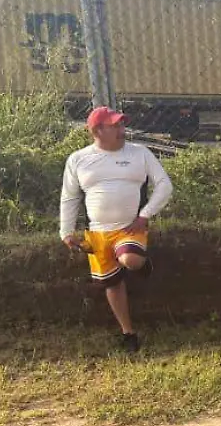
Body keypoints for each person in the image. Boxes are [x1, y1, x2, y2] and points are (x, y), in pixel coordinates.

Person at [60, 107, 173, 353]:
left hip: (130, 228)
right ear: (97, 130)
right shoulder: (78, 159)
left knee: (130, 260)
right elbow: (69, 197)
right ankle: (128, 332)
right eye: (115, 126)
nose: (122, 131)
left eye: (122, 125)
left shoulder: (140, 153)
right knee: (112, 284)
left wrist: (145, 215)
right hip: (98, 232)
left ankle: (141, 263)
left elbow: (164, 185)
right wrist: (66, 232)